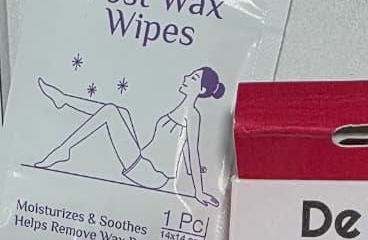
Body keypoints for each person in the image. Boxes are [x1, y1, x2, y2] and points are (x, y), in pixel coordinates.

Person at [34, 66, 225, 207]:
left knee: (110, 112)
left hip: (149, 174)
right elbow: (180, 148)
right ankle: (64, 100)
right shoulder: (182, 110)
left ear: (201, 90)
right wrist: (190, 171)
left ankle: (63, 149)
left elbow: (192, 151)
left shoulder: (192, 116)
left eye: (193, 77)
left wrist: (198, 191)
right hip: (143, 161)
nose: (186, 76)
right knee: (121, 111)